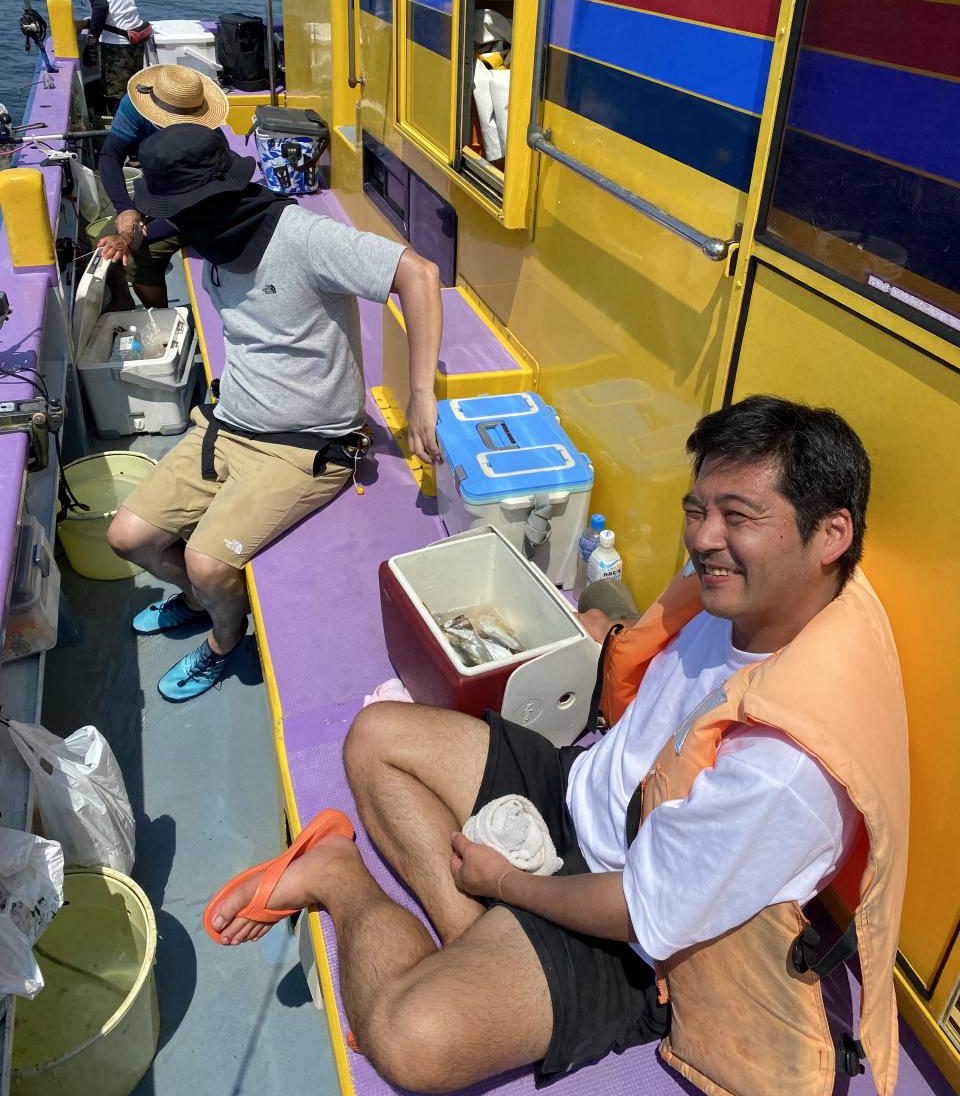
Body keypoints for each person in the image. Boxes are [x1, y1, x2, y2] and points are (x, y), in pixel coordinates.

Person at [203, 396, 909, 1096]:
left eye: (739, 516)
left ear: (831, 534)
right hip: (579, 791)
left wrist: (505, 883)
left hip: (626, 935)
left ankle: (339, 878)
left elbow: (641, 911)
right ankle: (481, 945)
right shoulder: (748, 595)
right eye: (697, 510)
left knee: (408, 1039)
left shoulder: (786, 768)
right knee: (375, 738)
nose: (704, 539)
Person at [106, 123, 443, 703]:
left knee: (207, 563)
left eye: (175, 211)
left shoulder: (303, 237)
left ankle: (224, 637)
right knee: (126, 537)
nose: (173, 223)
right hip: (228, 423)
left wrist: (421, 395)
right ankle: (203, 602)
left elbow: (419, 273)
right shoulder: (211, 238)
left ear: (209, 200)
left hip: (306, 445)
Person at [96, 63, 229, 308]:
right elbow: (109, 155)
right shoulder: (135, 105)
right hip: (161, 190)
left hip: (203, 206)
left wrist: (131, 237)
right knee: (104, 241)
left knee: (138, 259)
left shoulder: (205, 140)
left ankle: (158, 314)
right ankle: (122, 300)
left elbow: (194, 209)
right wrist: (125, 208)